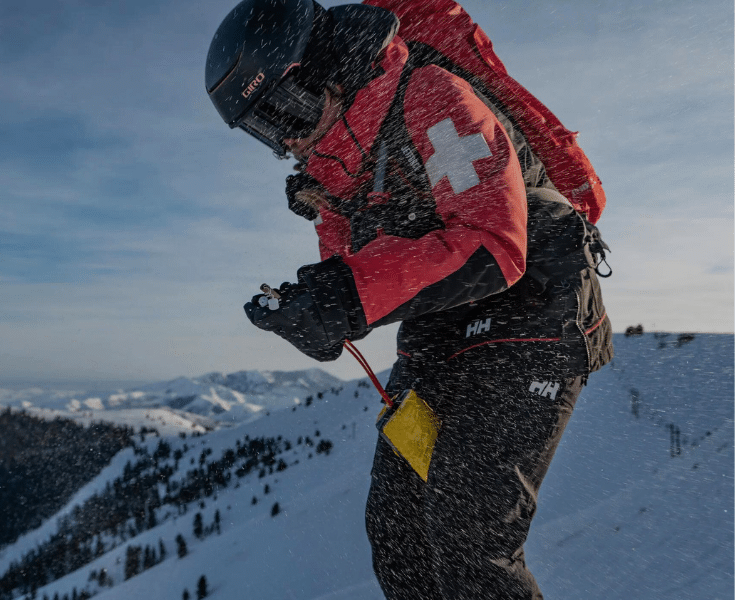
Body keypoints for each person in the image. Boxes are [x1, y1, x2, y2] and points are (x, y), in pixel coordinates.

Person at [205, 1, 613, 598]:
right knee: (397, 531)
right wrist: (315, 314)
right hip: (439, 330)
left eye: (282, 108)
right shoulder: (331, 173)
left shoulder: (432, 97)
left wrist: (344, 297)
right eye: (262, 127)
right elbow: (360, 279)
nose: (285, 136)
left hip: (535, 312)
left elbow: (490, 245)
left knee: (469, 533)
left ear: (323, 68)